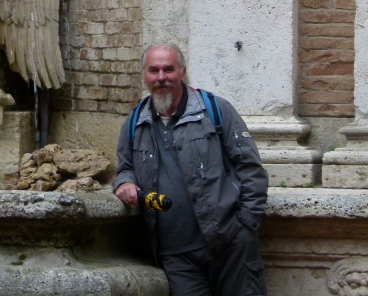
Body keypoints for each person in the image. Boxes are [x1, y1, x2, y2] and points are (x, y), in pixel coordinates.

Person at [114, 43, 268, 296]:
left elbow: (250, 168)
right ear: (144, 76)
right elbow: (125, 167)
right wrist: (125, 182)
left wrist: (245, 226)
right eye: (154, 70)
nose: (161, 77)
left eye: (168, 69)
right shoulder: (134, 123)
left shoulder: (215, 110)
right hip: (175, 255)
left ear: (182, 72)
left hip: (229, 245)